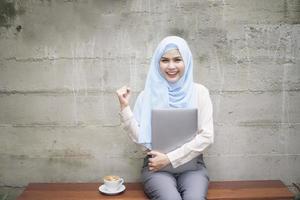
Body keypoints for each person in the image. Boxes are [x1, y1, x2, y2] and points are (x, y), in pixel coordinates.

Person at [116, 36, 214, 200]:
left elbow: (207, 137)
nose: (171, 66)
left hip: (192, 167)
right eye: (165, 60)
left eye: (177, 59)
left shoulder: (200, 92)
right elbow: (141, 142)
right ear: (157, 63)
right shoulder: (146, 96)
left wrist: (169, 158)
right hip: (156, 168)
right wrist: (125, 107)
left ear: (187, 61)